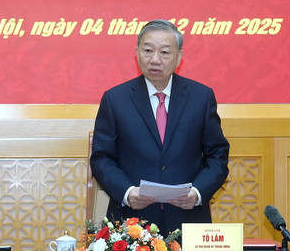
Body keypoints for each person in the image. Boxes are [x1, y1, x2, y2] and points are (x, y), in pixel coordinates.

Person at [90, 19, 230, 237]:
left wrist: (197, 192)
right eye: (147, 50)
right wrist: (127, 193)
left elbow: (217, 155)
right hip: (132, 225)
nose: (155, 59)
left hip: (188, 222)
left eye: (165, 52)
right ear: (136, 52)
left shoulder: (201, 97)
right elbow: (101, 158)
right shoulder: (115, 99)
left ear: (179, 57)